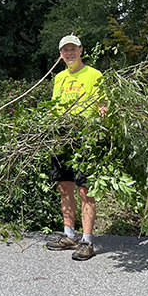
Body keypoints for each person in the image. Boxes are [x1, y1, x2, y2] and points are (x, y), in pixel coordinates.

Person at [44, 35, 104, 261]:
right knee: (64, 186)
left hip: (85, 138)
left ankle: (87, 242)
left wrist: (101, 127)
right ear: (61, 54)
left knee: (84, 190)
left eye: (72, 49)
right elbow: (54, 107)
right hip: (61, 138)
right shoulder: (59, 78)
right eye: (64, 51)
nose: (69, 54)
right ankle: (69, 235)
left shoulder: (94, 75)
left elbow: (102, 105)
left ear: (80, 51)